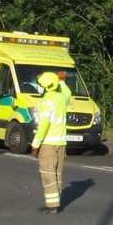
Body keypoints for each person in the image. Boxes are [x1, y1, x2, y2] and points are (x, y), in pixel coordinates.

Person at [29, 71, 73, 212]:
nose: (39, 87)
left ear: (45, 87)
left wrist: (35, 145)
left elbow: (43, 126)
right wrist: (62, 81)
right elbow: (68, 94)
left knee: (48, 174)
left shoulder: (44, 102)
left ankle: (53, 205)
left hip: (48, 143)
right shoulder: (61, 98)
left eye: (40, 85)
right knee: (57, 174)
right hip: (61, 143)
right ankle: (56, 201)